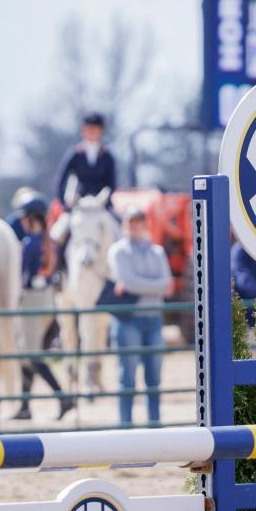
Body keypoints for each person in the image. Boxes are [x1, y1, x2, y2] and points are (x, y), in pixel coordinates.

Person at [106, 206, 170, 425]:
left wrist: (135, 285)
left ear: (144, 224)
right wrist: (154, 286)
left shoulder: (157, 251)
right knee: (128, 377)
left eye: (138, 222)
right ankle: (126, 426)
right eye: (130, 222)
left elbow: (165, 284)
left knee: (153, 378)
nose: (134, 226)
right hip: (129, 320)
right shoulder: (118, 251)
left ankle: (154, 424)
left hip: (152, 318)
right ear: (125, 225)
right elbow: (161, 284)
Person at [13, 208, 74, 421]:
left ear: (32, 219)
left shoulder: (30, 243)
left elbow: (25, 277)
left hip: (31, 301)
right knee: (29, 353)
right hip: (47, 300)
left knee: (31, 355)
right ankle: (25, 406)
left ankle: (63, 397)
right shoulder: (50, 243)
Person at [55, 112, 118, 207]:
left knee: (117, 220)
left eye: (95, 129)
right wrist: (63, 202)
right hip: (77, 201)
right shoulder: (75, 154)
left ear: (101, 131)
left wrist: (106, 200)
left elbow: (112, 182)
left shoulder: (106, 156)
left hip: (101, 202)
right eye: (89, 129)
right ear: (83, 131)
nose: (92, 132)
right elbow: (61, 179)